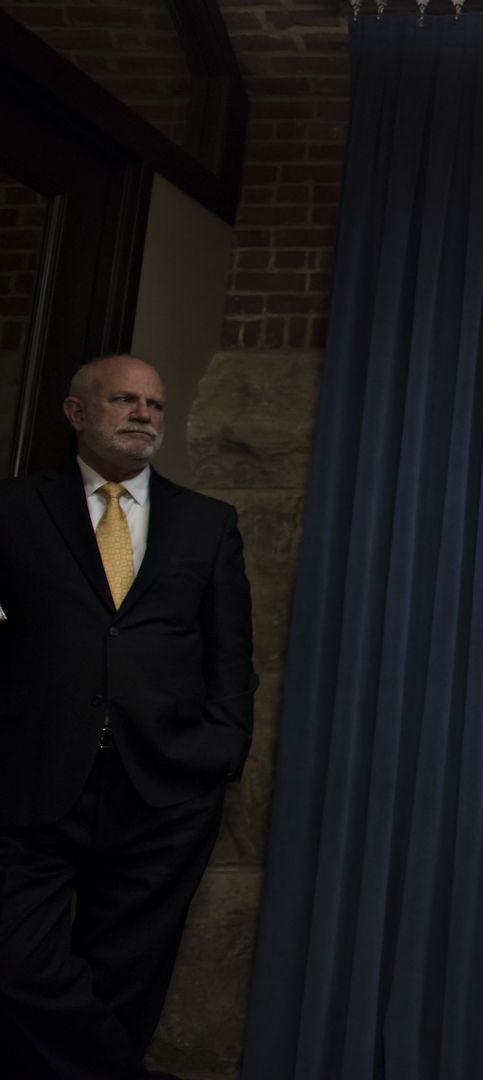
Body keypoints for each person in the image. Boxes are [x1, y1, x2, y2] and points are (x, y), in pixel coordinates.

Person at [0, 355, 255, 1080]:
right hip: (30, 779)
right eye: (123, 399)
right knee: (17, 962)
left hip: (164, 787)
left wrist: (221, 749)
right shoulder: (14, 509)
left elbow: (231, 654)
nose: (143, 414)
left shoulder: (207, 522)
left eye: (155, 405)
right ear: (76, 412)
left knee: (127, 977)